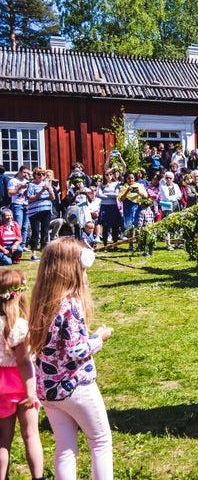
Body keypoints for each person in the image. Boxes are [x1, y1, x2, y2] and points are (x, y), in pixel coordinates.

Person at [28, 238, 114, 479]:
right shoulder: (70, 303)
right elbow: (76, 351)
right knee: (100, 441)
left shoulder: (41, 301)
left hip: (48, 389)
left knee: (65, 448)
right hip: (75, 386)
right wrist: (100, 338)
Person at [0, 270, 44, 480]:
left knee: (2, 440)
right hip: (20, 383)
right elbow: (24, 361)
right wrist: (31, 391)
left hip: (1, 387)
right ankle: (38, 477)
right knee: (31, 434)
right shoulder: (18, 326)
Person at [26, 167, 56, 261]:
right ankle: (33, 253)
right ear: (35, 175)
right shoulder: (31, 185)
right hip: (34, 211)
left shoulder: (46, 184)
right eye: (39, 174)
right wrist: (42, 191)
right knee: (35, 232)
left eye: (43, 174)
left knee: (45, 231)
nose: (41, 176)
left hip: (46, 210)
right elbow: (31, 198)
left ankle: (44, 252)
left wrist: (49, 190)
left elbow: (53, 198)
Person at [7, 166, 30, 250]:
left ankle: (23, 244)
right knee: (18, 225)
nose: (25, 174)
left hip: (26, 204)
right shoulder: (13, 181)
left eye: (27, 173)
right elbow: (10, 193)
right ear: (19, 172)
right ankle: (16, 243)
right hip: (17, 204)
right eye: (24, 172)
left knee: (25, 226)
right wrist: (19, 188)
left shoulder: (28, 182)